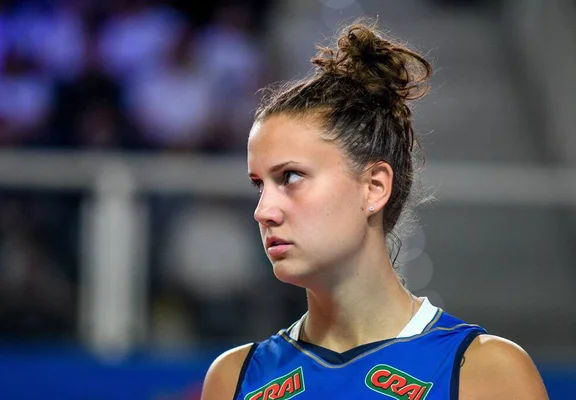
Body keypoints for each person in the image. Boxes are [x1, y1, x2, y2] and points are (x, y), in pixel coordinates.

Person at [201, 21, 549, 400]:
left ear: (374, 187)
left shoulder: (487, 373)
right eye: (259, 185)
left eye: (291, 177)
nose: (263, 210)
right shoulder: (234, 379)